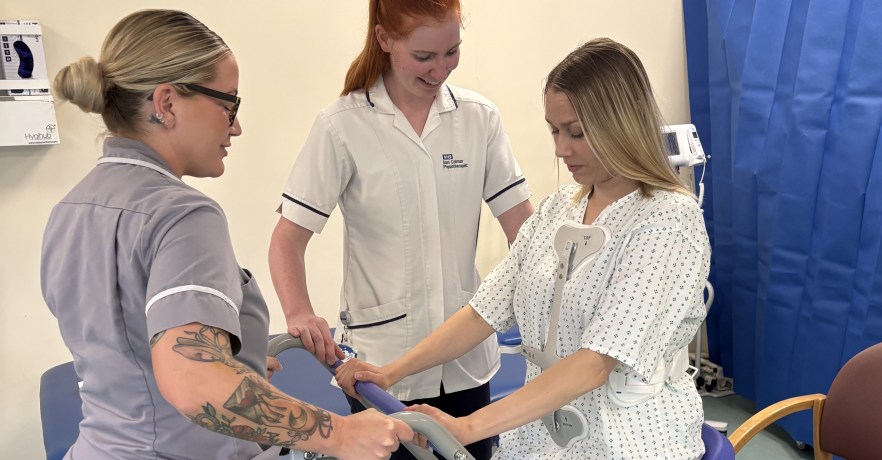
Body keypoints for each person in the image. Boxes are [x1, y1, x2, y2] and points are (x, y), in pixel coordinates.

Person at [42, 9, 414, 459]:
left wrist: (240, 365)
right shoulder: (182, 215)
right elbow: (193, 380)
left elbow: (130, 349)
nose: (235, 126)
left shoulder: (71, 209)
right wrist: (340, 433)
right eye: (228, 104)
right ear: (166, 103)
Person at [337, 37, 711, 459]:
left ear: (622, 123)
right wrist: (390, 373)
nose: (560, 149)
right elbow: (483, 311)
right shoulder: (557, 210)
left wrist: (467, 426)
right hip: (541, 437)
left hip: (629, 440)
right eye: (554, 130)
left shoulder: (667, 221)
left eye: (576, 132)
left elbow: (596, 363)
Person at [269, 1, 533, 458]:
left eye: (451, 52)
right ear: (384, 39)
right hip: (379, 370)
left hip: (466, 365)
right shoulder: (342, 125)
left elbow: (525, 232)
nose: (440, 70)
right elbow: (287, 239)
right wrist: (300, 312)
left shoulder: (479, 118)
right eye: (424, 57)